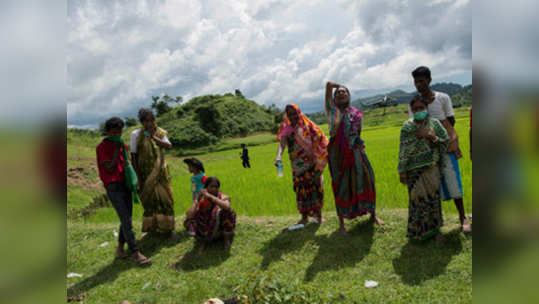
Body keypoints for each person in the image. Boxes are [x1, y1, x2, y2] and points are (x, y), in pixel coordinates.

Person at [410, 66, 471, 232]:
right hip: (426, 152)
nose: (419, 84)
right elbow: (414, 127)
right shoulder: (415, 103)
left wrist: (448, 141)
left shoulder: (443, 98)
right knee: (432, 187)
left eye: (422, 81)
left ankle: (462, 217)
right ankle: (437, 222)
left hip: (445, 147)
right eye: (416, 81)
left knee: (453, 181)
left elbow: (451, 121)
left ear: (429, 80)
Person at [325, 82, 384, 234]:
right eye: (338, 93)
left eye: (344, 92)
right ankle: (341, 224)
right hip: (338, 155)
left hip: (356, 152)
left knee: (367, 179)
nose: (341, 93)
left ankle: (373, 215)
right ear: (334, 99)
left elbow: (359, 133)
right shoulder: (332, 111)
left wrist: (353, 147)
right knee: (340, 185)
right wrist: (338, 85)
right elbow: (328, 85)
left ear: (349, 96)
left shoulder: (356, 113)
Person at [96, 117, 151, 265]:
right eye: (114, 132)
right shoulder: (102, 147)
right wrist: (116, 150)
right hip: (113, 186)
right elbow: (110, 168)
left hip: (125, 184)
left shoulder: (123, 146)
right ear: (107, 132)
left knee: (126, 218)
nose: (117, 136)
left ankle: (120, 250)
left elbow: (128, 166)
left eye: (119, 132)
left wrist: (135, 182)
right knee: (126, 219)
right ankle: (135, 252)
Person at [399, 97, 449, 242]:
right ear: (411, 111)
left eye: (421, 108)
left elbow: (444, 142)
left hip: (431, 169)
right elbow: (403, 150)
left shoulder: (435, 124)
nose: (418, 111)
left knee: (433, 200)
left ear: (426, 108)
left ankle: (436, 231)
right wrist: (402, 171)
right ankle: (417, 233)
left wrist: (432, 137)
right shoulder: (407, 127)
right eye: (415, 109)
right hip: (414, 172)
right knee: (417, 201)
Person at [275, 104, 329, 228]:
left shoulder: (308, 126)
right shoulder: (287, 129)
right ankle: (304, 218)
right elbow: (282, 143)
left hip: (312, 165)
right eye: (289, 114)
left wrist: (317, 152)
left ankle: (318, 216)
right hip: (297, 166)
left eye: (294, 113)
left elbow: (320, 137)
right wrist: (279, 156)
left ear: (299, 113)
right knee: (301, 190)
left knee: (316, 188)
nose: (292, 116)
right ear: (287, 116)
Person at [130, 108, 175, 236]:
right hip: (144, 173)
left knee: (166, 200)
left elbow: (168, 146)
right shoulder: (135, 135)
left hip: (160, 173)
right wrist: (137, 177)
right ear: (141, 121)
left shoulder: (160, 132)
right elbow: (133, 156)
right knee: (149, 201)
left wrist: (153, 137)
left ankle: (168, 229)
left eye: (151, 120)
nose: (149, 123)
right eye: (146, 121)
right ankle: (152, 229)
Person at [184, 177, 236, 252]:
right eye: (211, 186)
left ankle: (226, 241)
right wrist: (197, 200)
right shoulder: (201, 198)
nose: (214, 189)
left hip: (219, 229)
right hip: (205, 228)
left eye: (216, 187)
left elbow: (227, 206)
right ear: (206, 187)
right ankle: (203, 241)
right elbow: (189, 215)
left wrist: (210, 197)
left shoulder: (222, 196)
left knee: (229, 212)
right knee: (191, 219)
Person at [183, 158, 207, 236]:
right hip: (195, 195)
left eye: (190, 167)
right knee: (196, 209)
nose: (189, 169)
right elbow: (193, 187)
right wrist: (194, 194)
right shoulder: (193, 177)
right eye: (188, 167)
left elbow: (207, 185)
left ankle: (193, 226)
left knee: (197, 210)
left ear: (197, 167)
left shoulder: (202, 176)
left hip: (201, 195)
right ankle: (194, 225)